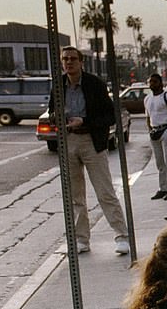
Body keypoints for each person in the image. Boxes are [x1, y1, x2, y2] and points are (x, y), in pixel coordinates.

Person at [49, 46, 130, 255]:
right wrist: (56, 117)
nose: (68, 63)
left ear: (81, 61)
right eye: (65, 59)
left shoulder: (94, 84)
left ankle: (121, 235)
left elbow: (111, 115)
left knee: (104, 191)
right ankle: (81, 239)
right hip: (68, 140)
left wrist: (84, 121)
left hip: (91, 141)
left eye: (72, 59)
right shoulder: (58, 84)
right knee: (75, 196)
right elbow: (51, 109)